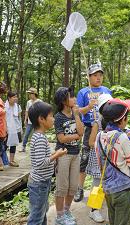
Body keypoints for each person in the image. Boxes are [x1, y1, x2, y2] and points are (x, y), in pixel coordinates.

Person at [96, 98, 130, 225]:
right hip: (124, 190)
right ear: (122, 119)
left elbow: (101, 160)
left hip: (108, 189)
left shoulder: (99, 136)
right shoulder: (122, 137)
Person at [74, 63, 112, 206]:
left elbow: (112, 107)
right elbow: (77, 112)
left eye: (100, 75)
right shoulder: (83, 92)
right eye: (95, 75)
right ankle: (79, 188)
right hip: (90, 128)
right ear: (89, 77)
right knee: (84, 158)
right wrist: (89, 106)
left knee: (106, 158)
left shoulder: (106, 90)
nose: (98, 78)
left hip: (105, 127)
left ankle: (105, 188)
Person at [27, 101, 67, 225]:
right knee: (36, 217)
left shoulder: (40, 136)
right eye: (51, 116)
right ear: (41, 119)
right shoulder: (39, 138)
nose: (53, 119)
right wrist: (56, 155)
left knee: (42, 212)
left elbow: (42, 158)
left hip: (42, 182)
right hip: (39, 184)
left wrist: (53, 154)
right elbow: (40, 163)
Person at [53, 86, 84, 225]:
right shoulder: (58, 117)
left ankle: (66, 211)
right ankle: (59, 216)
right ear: (63, 101)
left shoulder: (75, 113)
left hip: (75, 154)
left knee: (73, 186)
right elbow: (61, 139)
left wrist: (77, 115)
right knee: (62, 187)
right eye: (71, 97)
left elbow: (81, 132)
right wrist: (76, 136)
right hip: (63, 154)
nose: (75, 99)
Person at [85, 93, 112, 223]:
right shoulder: (97, 123)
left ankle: (105, 204)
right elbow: (90, 142)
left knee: (109, 181)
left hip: (110, 158)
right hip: (98, 157)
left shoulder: (114, 121)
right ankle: (94, 210)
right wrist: (102, 143)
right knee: (97, 183)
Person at [0, 91, 23, 170]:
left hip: (15, 128)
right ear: (9, 98)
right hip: (6, 128)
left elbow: (19, 118)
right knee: (4, 146)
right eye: (14, 97)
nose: (16, 98)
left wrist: (21, 128)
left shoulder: (18, 106)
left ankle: (11, 160)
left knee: (13, 144)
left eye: (16, 97)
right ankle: (0, 163)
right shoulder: (3, 106)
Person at [21, 87, 41, 152]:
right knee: (26, 134)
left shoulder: (39, 102)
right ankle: (23, 147)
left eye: (30, 94)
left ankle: (36, 148)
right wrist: (25, 120)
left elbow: (42, 111)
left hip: (37, 122)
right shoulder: (28, 102)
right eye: (29, 94)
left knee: (37, 135)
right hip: (29, 122)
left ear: (34, 94)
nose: (29, 95)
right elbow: (27, 111)